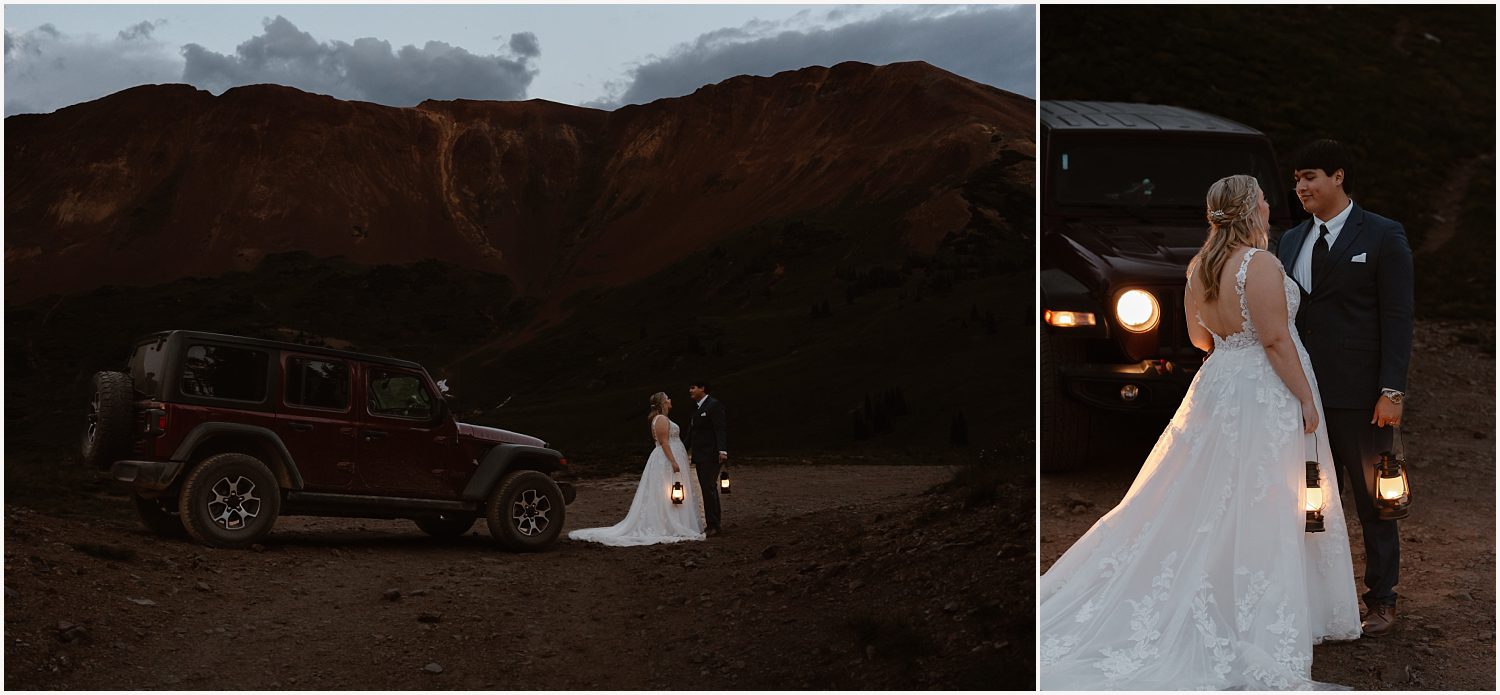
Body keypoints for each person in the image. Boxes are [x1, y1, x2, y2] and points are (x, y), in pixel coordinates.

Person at [1039, 175, 1361, 690]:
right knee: (1270, 493)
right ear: (1246, 209)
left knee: (1212, 492)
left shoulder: (1199, 267)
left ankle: (1223, 587)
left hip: (1220, 383)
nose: (1267, 202)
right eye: (1260, 196)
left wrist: (1234, 346)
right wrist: (1304, 397)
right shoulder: (1260, 264)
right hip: (1265, 388)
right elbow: (1277, 340)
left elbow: (1199, 338)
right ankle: (1254, 608)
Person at [1277, 139, 1414, 638]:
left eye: (1310, 176)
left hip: (1362, 396)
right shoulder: (1289, 241)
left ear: (1338, 176)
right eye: (1295, 179)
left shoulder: (1382, 235)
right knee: (1307, 501)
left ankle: (1382, 601)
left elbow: (1398, 319)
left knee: (1374, 500)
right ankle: (1314, 602)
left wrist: (1392, 390)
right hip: (1300, 394)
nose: (1301, 187)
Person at [568, 392, 705, 546]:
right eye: (667, 398)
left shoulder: (664, 418)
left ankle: (679, 521)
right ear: (662, 403)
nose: (670, 400)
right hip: (666, 460)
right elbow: (664, 442)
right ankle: (668, 523)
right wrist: (673, 461)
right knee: (668, 490)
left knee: (675, 491)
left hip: (672, 456)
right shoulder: (660, 419)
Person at [685, 380, 728, 536]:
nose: (690, 390)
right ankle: (714, 523)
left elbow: (719, 428)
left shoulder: (713, 405)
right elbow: (692, 433)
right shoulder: (697, 408)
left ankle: (713, 525)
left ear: (702, 388)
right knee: (708, 488)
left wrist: (722, 450)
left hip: (711, 454)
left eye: (693, 387)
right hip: (700, 455)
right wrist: (683, 450)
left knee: (708, 488)